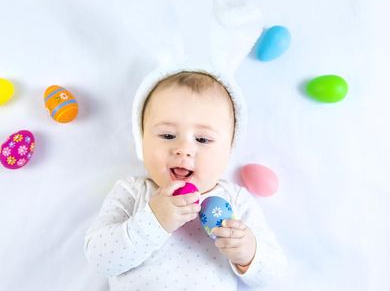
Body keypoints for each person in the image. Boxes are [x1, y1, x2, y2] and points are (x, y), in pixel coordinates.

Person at [84, 65, 287, 290]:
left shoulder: (236, 200)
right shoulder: (132, 192)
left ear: (229, 149)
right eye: (167, 135)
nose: (183, 149)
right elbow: (99, 260)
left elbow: (276, 278)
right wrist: (153, 221)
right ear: (142, 140)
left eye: (202, 139)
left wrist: (249, 254)